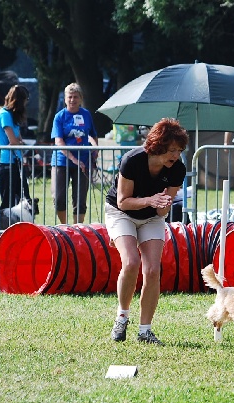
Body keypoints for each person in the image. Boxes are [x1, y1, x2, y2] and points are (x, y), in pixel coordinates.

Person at [106, 118, 188, 346]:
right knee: (131, 262)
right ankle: (121, 318)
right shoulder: (132, 160)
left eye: (180, 150)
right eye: (172, 150)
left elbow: (161, 211)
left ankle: (145, 331)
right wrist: (151, 199)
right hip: (121, 213)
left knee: (152, 270)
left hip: (151, 216)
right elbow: (123, 202)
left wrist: (163, 203)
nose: (176, 155)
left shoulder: (177, 169)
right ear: (158, 145)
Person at [50, 83, 97, 224]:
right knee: (59, 198)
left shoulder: (86, 114)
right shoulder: (59, 117)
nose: (72, 100)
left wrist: (95, 149)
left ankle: (77, 230)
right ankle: (64, 228)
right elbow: (59, 141)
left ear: (80, 99)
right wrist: (73, 158)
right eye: (69, 97)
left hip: (83, 162)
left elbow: (93, 135)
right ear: (65, 99)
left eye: (75, 97)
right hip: (61, 161)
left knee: (80, 198)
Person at [0, 85, 30, 209]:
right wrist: (18, 144)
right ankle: (4, 227)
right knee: (8, 203)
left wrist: (19, 143)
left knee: (23, 200)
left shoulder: (11, 116)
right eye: (25, 101)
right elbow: (13, 141)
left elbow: (18, 139)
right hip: (5, 163)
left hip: (15, 161)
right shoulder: (5, 115)